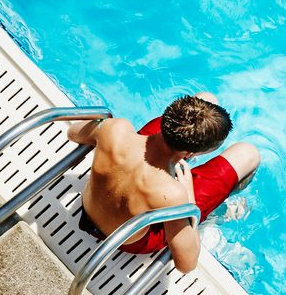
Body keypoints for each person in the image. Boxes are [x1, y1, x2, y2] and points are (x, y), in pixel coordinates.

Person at [70, 94, 261, 273]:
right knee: (248, 154)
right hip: (128, 240)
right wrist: (189, 198)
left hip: (91, 210)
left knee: (206, 99)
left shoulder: (115, 129)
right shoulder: (173, 194)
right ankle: (218, 211)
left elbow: (74, 133)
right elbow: (186, 264)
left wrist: (108, 135)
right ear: (191, 154)